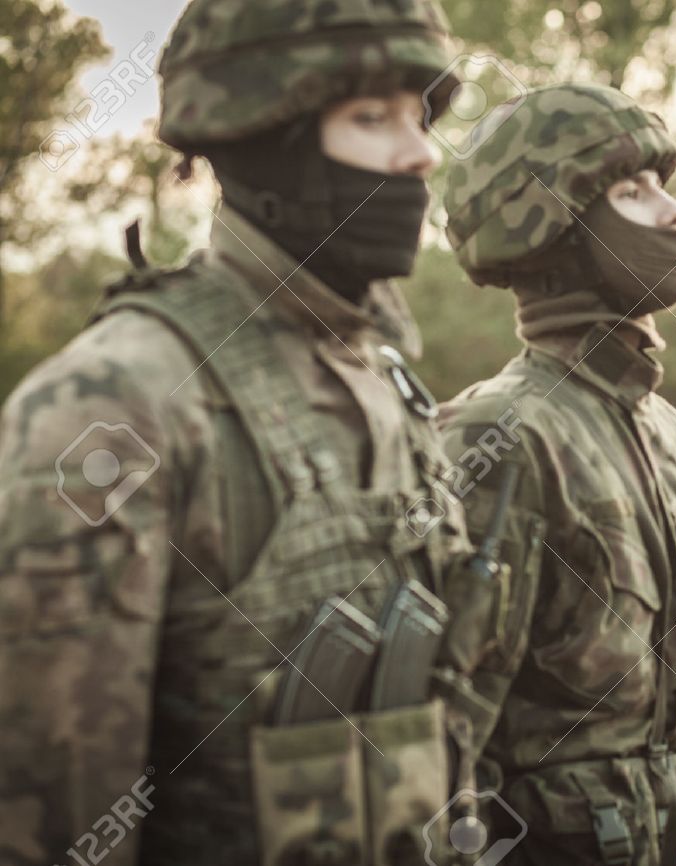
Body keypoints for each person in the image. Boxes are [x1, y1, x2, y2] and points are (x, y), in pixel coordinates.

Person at [0, 2, 473, 863]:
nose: (420, 153)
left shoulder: (388, 383)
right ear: (261, 136)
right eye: (373, 118)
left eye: (420, 115)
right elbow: (55, 821)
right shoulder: (120, 401)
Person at [437, 82, 676, 866]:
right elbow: (436, 747)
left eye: (665, 188)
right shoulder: (499, 436)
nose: (675, 214)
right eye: (632, 190)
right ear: (553, 222)